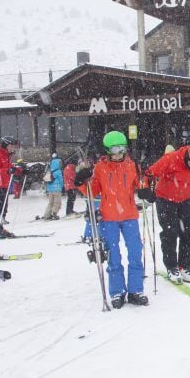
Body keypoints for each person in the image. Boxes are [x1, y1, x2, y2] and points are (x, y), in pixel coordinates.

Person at [74, 131, 148, 309]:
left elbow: (142, 182)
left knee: (135, 252)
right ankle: (117, 291)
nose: (119, 154)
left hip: (129, 215)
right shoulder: (101, 168)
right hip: (109, 218)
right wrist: (81, 181)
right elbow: (94, 191)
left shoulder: (132, 165)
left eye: (122, 149)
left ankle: (135, 290)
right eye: (115, 150)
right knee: (113, 255)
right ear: (107, 151)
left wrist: (146, 188)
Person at [144, 142, 190, 283]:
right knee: (171, 232)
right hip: (165, 199)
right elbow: (150, 173)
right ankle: (171, 267)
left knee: (188, 231)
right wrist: (150, 190)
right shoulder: (171, 159)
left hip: (184, 199)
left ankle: (185, 265)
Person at [0, 136, 19, 237]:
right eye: (12, 146)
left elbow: (9, 167)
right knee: (1, 208)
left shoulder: (5, 155)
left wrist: (20, 170)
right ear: (6, 145)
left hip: (2, 185)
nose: (13, 148)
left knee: (3, 208)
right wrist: (7, 171)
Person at [42, 153, 64, 220]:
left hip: (50, 190)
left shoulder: (50, 170)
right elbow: (61, 180)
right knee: (57, 203)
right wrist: (62, 186)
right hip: (57, 189)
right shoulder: (58, 171)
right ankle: (54, 213)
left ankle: (47, 215)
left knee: (50, 203)